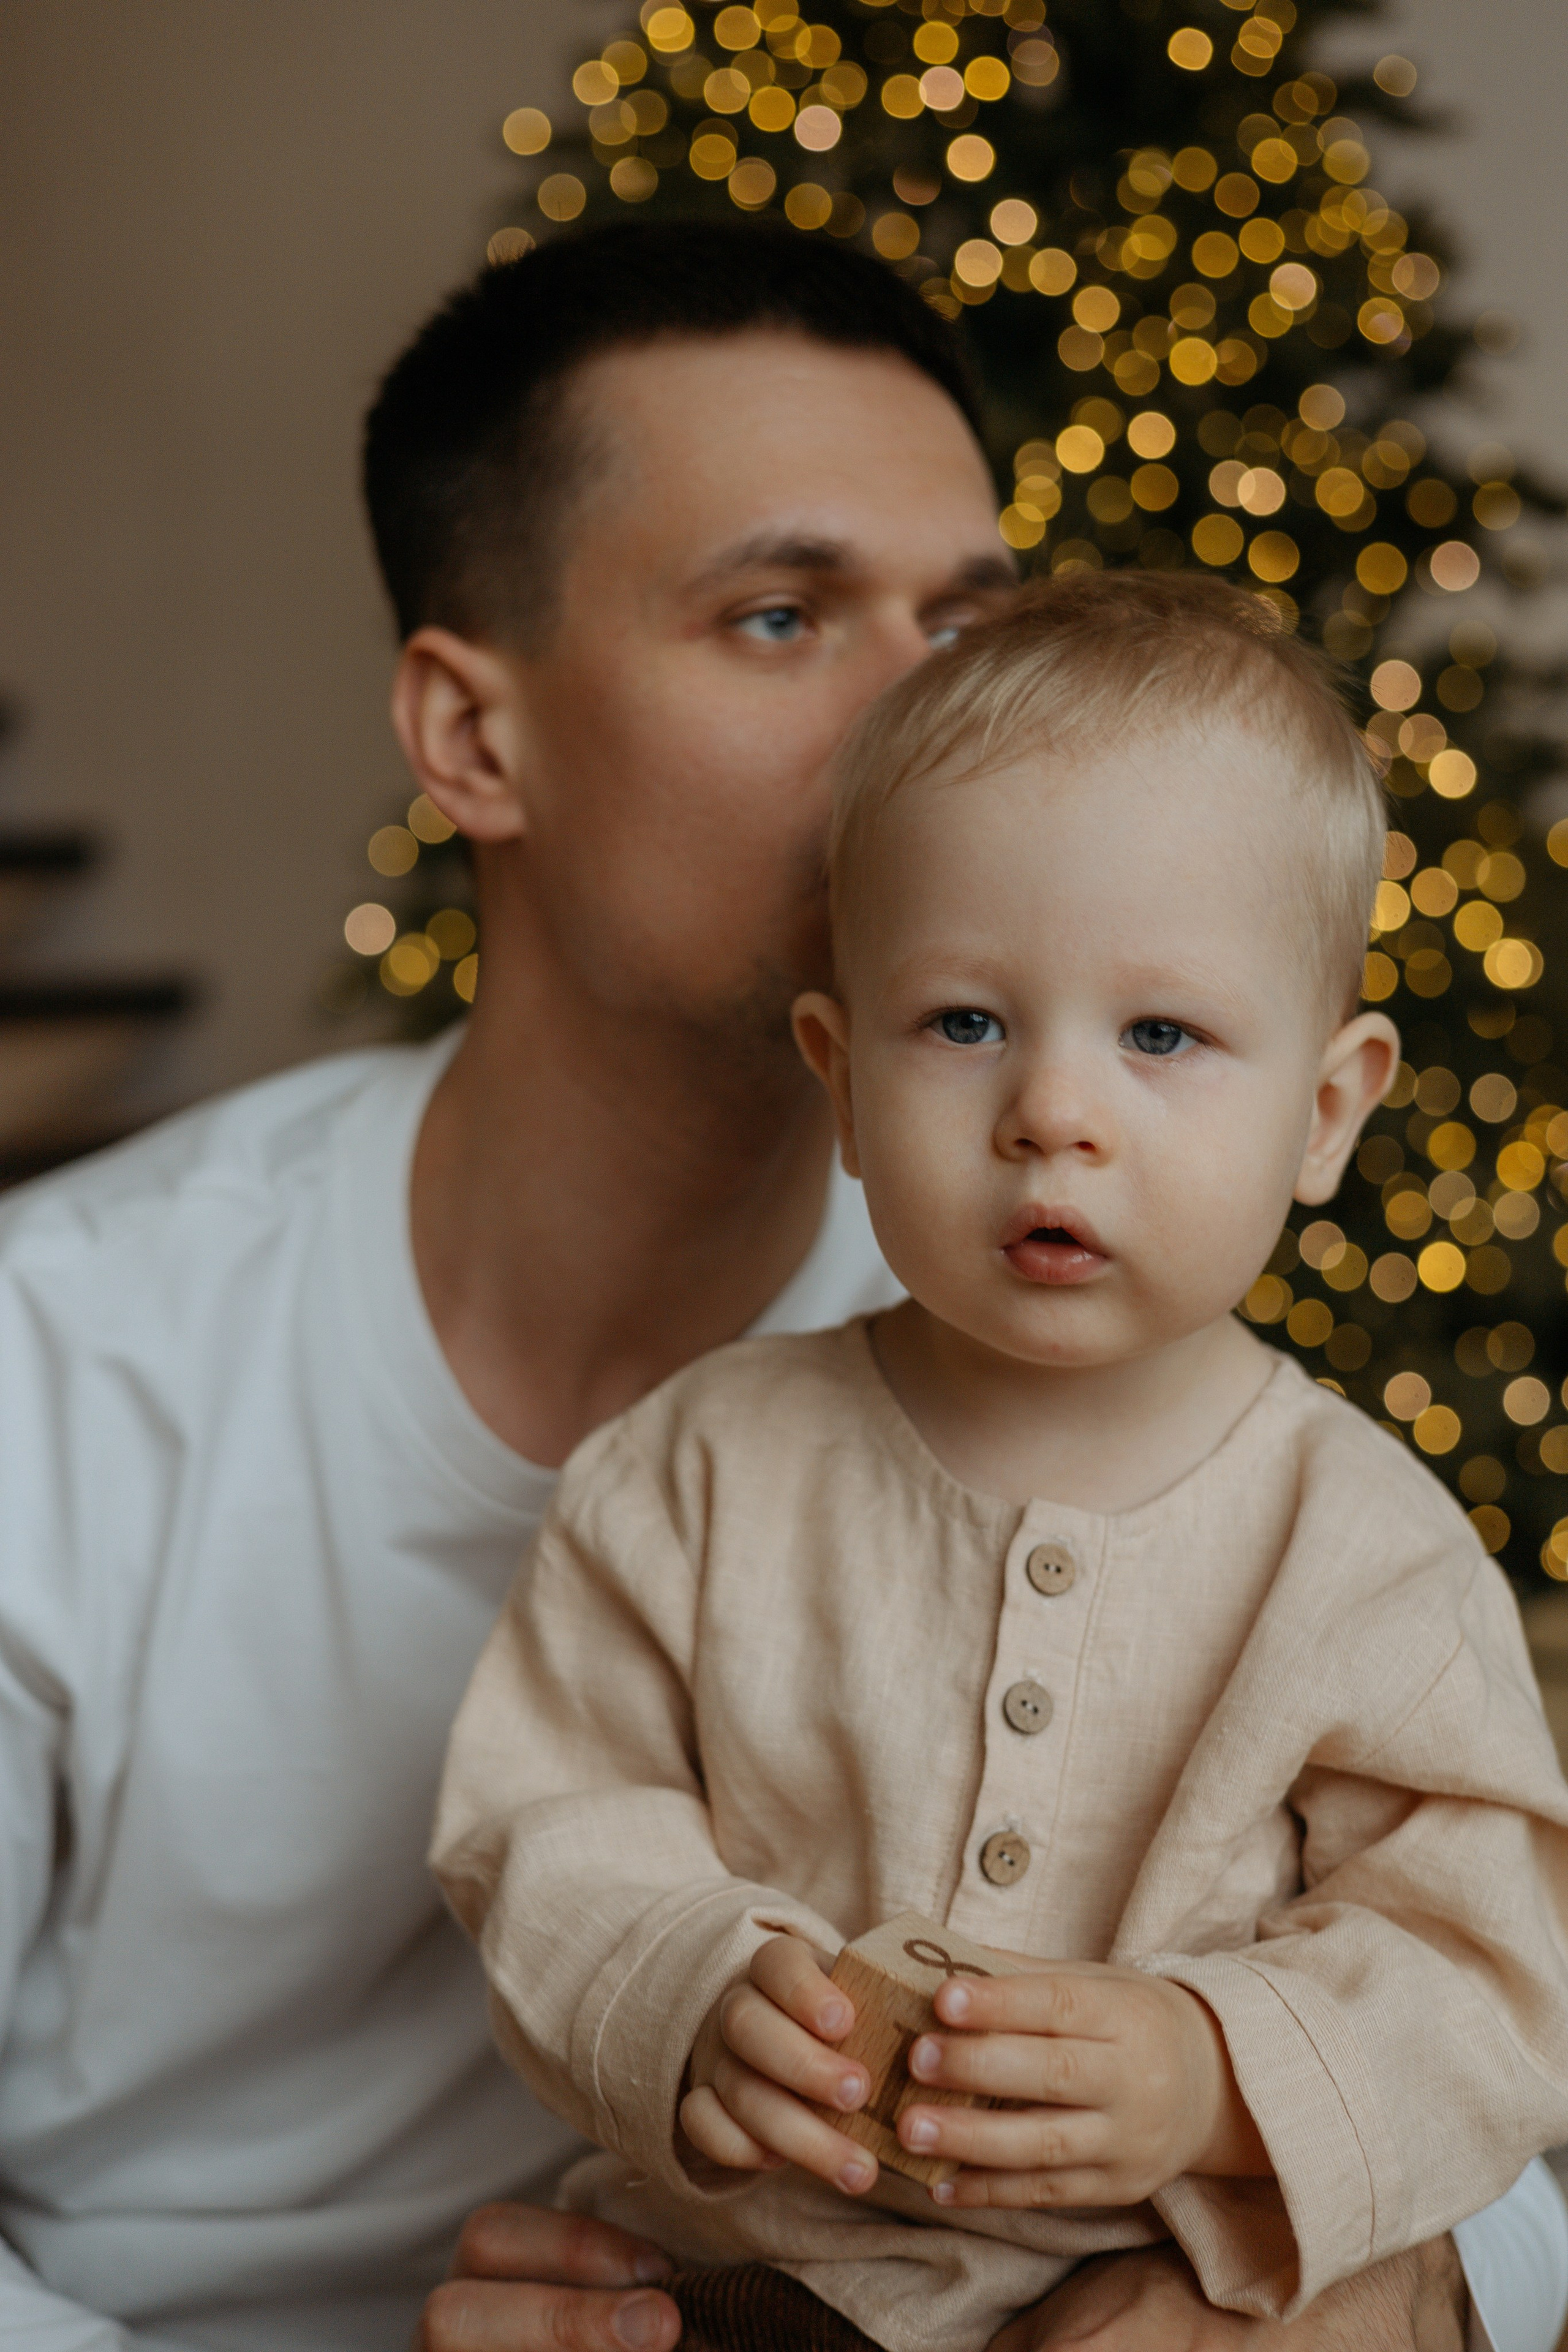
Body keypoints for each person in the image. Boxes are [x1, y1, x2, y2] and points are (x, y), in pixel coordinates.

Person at [0, 220, 1552, 2352]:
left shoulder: (1106, 1307)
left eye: (967, 617)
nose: (924, 707)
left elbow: (1478, 2031)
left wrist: (1357, 2286)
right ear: (473, 737)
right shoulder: (57, 1375)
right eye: (782, 613)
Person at [431, 573, 1568, 2352]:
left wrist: (1215, 2073)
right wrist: (690, 1983)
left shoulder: (1367, 1552)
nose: (1054, 1109)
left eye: (1163, 1035)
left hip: (1196, 2297)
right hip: (753, 2292)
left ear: (1328, 1112)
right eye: (964, 1024)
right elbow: (548, 1816)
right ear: (844, 1079)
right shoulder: (693, 1473)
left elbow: (1486, 1975)